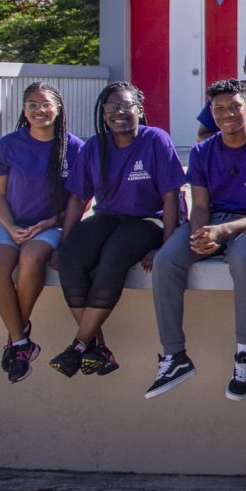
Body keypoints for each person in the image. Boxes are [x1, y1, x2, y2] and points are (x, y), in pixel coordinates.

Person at [144, 79, 246, 399]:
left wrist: (222, 233)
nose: (227, 114)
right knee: (167, 259)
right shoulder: (203, 151)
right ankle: (174, 355)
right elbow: (201, 205)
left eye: (235, 107)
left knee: (243, 259)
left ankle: (245, 355)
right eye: (219, 109)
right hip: (214, 220)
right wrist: (200, 236)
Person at [51, 82, 185, 377]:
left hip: (150, 218)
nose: (118, 112)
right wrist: (63, 242)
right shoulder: (94, 146)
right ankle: (96, 348)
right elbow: (77, 198)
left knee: (114, 256)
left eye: (126, 106)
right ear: (103, 113)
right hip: (110, 217)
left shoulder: (155, 140)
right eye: (111, 107)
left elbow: (171, 197)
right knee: (72, 257)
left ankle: (77, 346)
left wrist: (165, 246)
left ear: (140, 109)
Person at [0, 81, 83, 383]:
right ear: (24, 110)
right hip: (9, 222)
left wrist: (45, 223)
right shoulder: (9, 144)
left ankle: (17, 338)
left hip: (51, 225)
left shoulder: (75, 147)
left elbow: (78, 202)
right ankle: (20, 341)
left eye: (45, 104)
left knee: (31, 258)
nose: (39, 110)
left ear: (58, 108)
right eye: (32, 104)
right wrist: (11, 226)